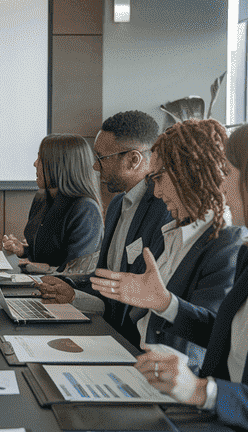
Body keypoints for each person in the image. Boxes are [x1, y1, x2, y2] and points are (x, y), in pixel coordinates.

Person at [134, 114, 248, 432]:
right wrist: (166, 304)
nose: (220, 188)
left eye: (228, 175)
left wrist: (203, 391)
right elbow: (227, 337)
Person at [89, 119, 243, 366]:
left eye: (158, 179)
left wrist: (164, 302)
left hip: (178, 383)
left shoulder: (226, 241)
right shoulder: (175, 231)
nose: (157, 192)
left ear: (189, 172)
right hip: (143, 366)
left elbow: (215, 333)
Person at [39, 110, 172, 346]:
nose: (95, 167)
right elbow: (105, 276)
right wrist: (69, 288)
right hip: (103, 330)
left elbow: (143, 294)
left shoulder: (164, 211)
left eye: (101, 158)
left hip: (133, 343)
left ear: (133, 160)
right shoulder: (118, 205)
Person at [2, 134, 103, 269]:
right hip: (39, 283)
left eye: (41, 159)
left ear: (60, 165)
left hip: (63, 288)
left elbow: (76, 270)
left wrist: (39, 268)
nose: (35, 163)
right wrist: (22, 250)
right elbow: (46, 253)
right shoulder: (42, 198)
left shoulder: (86, 209)